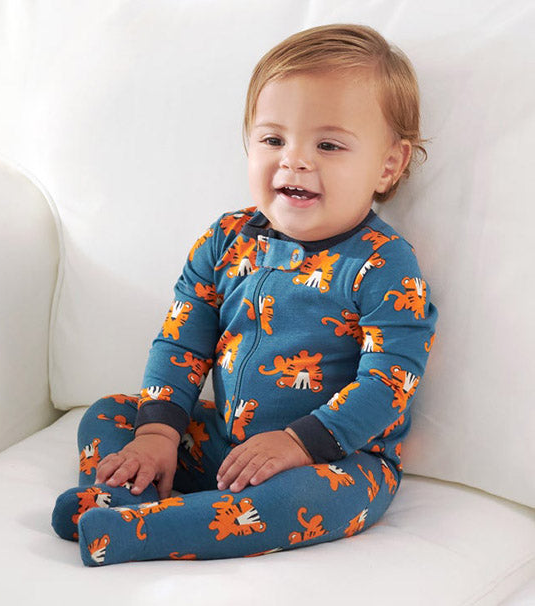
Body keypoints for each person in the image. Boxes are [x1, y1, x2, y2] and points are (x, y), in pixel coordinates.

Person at [51, 23, 438, 566]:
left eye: (328, 144)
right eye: (273, 139)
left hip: (333, 459)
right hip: (223, 442)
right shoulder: (224, 241)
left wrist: (301, 444)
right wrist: (159, 433)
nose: (294, 160)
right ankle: (122, 491)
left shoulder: (383, 265)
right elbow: (181, 345)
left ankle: (145, 530)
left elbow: (387, 383)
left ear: (388, 165)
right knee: (113, 412)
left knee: (303, 501)